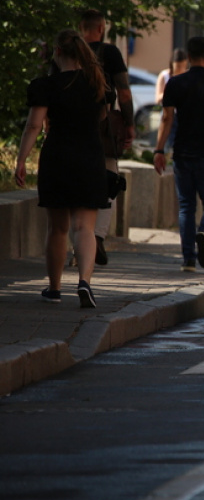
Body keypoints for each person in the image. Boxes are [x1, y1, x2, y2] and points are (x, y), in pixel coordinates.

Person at [15, 30, 109, 308]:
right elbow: (102, 118)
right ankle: (84, 282)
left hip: (58, 156)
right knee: (85, 228)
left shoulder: (46, 85)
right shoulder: (97, 84)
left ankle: (54, 289)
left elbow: (34, 126)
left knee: (57, 228)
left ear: (56, 52)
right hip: (90, 157)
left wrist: (21, 160)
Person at [152, 36, 204, 272]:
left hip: (182, 154)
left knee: (186, 206)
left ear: (188, 57)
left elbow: (167, 118)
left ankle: (188, 259)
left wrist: (159, 150)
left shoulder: (175, 84)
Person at [79, 9, 134, 267]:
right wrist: (130, 123)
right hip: (104, 128)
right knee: (109, 179)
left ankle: (79, 247)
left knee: (75, 186)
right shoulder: (110, 53)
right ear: (101, 28)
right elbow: (123, 92)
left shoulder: (70, 51)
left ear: (81, 28)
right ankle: (97, 237)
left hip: (72, 127)